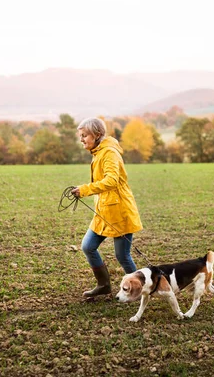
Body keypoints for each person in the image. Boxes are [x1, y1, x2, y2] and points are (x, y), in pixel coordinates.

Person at [71, 117, 143, 297]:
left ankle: (139, 290)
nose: (82, 139)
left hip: (119, 211)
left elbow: (111, 181)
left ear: (96, 135)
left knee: (123, 256)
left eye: (84, 135)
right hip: (103, 211)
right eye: (80, 136)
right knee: (88, 246)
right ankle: (104, 286)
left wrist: (85, 189)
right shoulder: (98, 152)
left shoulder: (109, 152)